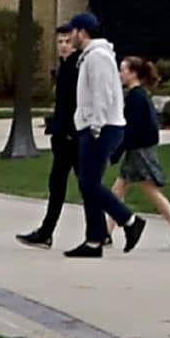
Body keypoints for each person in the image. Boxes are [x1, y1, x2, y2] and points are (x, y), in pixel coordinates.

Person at [10, 18, 85, 247]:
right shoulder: (65, 68)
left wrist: (65, 129)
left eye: (68, 41)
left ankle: (47, 232)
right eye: (60, 41)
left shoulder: (75, 68)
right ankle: (50, 231)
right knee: (75, 184)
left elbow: (74, 104)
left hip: (71, 137)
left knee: (70, 184)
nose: (63, 45)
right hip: (65, 134)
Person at [62, 13, 127, 259]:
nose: (69, 37)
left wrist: (96, 125)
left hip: (101, 127)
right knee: (88, 184)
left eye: (73, 32)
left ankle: (127, 220)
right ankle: (94, 240)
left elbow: (103, 93)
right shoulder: (91, 56)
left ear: (83, 32)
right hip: (96, 125)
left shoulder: (97, 57)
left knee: (89, 183)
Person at [109, 56, 170, 250]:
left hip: (140, 151)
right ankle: (105, 233)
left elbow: (131, 129)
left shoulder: (136, 97)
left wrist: (117, 151)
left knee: (150, 191)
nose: (120, 74)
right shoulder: (139, 95)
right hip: (138, 149)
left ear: (133, 73)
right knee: (117, 191)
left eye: (123, 70)